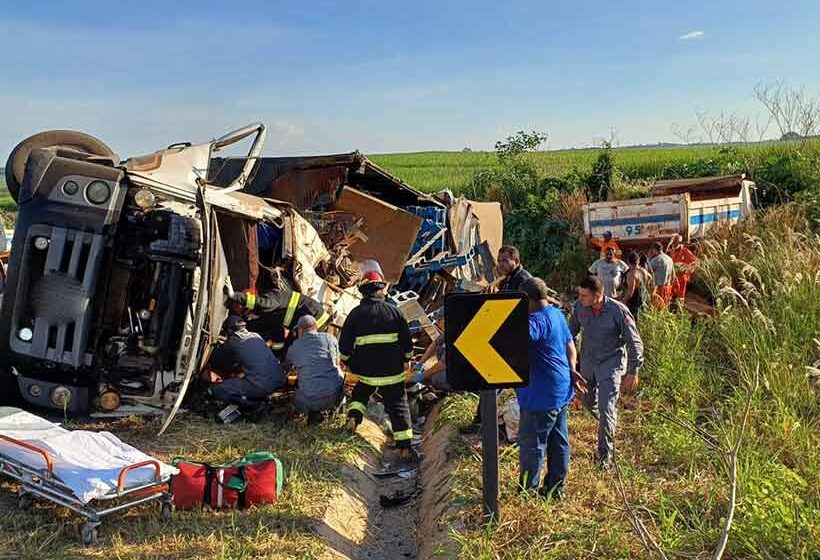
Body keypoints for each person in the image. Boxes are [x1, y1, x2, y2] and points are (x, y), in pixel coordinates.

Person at [340, 268, 417, 463]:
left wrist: (347, 361)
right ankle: (405, 448)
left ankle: (353, 418)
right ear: (380, 289)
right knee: (398, 406)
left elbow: (345, 345)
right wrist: (407, 358)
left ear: (363, 291)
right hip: (392, 371)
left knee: (360, 394)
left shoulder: (355, 314)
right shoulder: (395, 312)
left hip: (365, 371)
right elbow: (407, 343)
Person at [517, 278, 583, 499]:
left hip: (540, 394)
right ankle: (556, 489)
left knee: (533, 443)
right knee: (558, 440)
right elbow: (570, 345)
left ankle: (528, 492)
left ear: (527, 299)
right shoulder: (556, 314)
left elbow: (515, 338)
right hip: (561, 387)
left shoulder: (534, 321)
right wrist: (572, 369)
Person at [570, 276, 644, 469]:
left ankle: (605, 456)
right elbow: (572, 333)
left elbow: (634, 342)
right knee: (587, 401)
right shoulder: (580, 307)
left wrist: (633, 371)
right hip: (588, 362)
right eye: (580, 294)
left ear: (598, 295)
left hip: (611, 364)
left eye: (585, 295)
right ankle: (607, 421)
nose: (581, 298)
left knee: (606, 406)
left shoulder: (618, 311)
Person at [207, 315, 286, 406]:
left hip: (261, 386)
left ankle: (251, 404)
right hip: (278, 379)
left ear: (229, 330)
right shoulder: (256, 335)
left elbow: (218, 361)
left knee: (217, 389)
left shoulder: (233, 342)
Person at [285, 315, 345, 425]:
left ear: (300, 330)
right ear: (316, 327)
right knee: (339, 373)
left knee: (298, 392)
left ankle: (312, 413)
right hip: (334, 397)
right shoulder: (330, 338)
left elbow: (287, 367)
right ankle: (338, 410)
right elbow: (337, 362)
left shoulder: (294, 347)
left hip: (307, 402)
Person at [230, 286, 330, 351]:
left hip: (317, 318)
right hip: (302, 323)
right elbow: (278, 333)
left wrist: (235, 295)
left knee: (300, 350)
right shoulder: (267, 316)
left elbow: (262, 304)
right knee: (291, 346)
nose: (247, 317)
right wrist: (275, 355)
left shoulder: (271, 298)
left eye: (246, 313)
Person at [621, 251, 654, 320]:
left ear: (628, 261)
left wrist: (623, 302)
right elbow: (651, 282)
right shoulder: (644, 271)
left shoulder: (632, 274)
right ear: (638, 261)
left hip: (634, 305)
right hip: (644, 302)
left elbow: (630, 293)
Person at [668, 235, 699, 304]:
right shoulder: (672, 251)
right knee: (671, 294)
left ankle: (680, 310)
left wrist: (687, 269)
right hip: (673, 276)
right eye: (673, 244)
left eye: (675, 244)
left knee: (680, 296)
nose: (673, 245)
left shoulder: (685, 251)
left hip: (682, 277)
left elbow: (696, 262)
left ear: (680, 243)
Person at [647, 241, 676, 307]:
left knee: (658, 309)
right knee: (665, 307)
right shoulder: (670, 259)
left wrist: (649, 258)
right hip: (668, 287)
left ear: (654, 249)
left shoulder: (657, 259)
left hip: (659, 289)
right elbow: (673, 275)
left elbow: (647, 270)